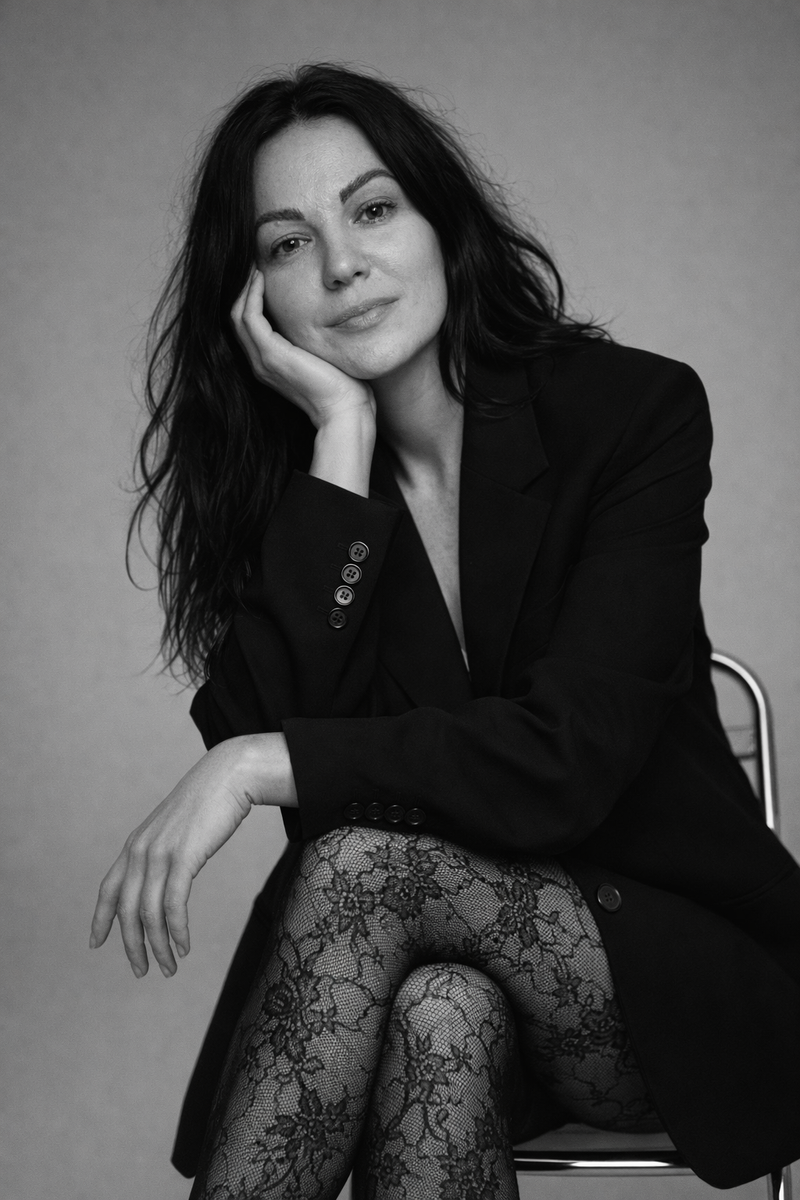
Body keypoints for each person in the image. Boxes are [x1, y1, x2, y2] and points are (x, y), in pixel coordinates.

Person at [90, 63, 800, 1199]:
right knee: (439, 1013)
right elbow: (291, 758)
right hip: (440, 989)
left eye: (372, 210)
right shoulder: (298, 506)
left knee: (364, 871)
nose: (340, 265)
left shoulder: (629, 414)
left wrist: (258, 765)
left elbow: (566, 760)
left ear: (441, 222)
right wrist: (340, 440)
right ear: (255, 299)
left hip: (668, 980)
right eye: (288, 243)